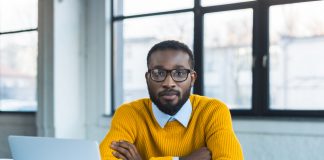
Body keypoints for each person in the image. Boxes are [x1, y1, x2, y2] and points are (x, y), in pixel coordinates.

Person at [100, 40, 244, 160]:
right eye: (158, 73)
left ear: (192, 79)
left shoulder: (213, 111)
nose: (169, 83)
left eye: (180, 73)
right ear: (147, 78)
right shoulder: (129, 113)